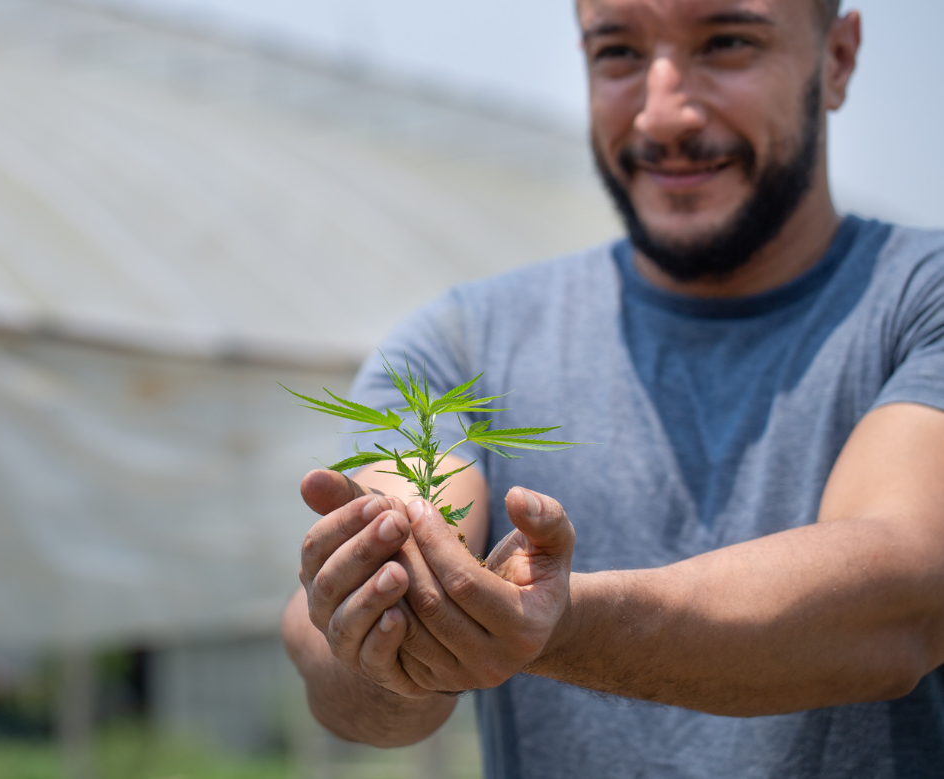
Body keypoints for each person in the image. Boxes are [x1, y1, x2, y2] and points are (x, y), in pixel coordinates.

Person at [281, 0, 944, 776]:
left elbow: (905, 592)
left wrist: (551, 626)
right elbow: (368, 611)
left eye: (727, 43)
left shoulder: (918, 302)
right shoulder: (458, 343)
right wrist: (383, 624)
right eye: (618, 52)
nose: (661, 115)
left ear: (837, 58)